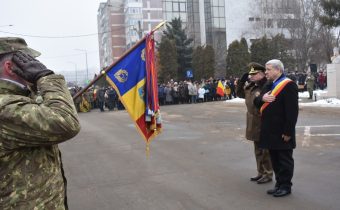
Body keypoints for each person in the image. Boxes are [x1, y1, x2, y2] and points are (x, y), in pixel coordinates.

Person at [0, 37, 81, 209]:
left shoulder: (16, 98)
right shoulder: (4, 107)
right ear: (10, 67)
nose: (35, 65)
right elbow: (66, 122)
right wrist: (46, 77)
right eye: (29, 61)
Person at [254, 59, 299, 197]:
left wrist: (288, 131)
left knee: (284, 160)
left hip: (282, 131)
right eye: (266, 69)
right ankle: (279, 184)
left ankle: (286, 186)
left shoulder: (288, 85)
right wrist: (262, 99)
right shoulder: (269, 84)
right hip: (270, 131)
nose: (265, 72)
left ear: (278, 70)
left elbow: (292, 111)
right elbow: (256, 102)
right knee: (275, 160)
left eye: (268, 69)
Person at [236, 62, 273, 184]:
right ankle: (260, 172)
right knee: (257, 149)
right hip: (252, 121)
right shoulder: (251, 87)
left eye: (254, 74)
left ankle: (268, 173)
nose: (251, 76)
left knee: (265, 150)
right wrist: (241, 82)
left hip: (263, 120)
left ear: (262, 74)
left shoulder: (267, 86)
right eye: (250, 74)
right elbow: (240, 94)